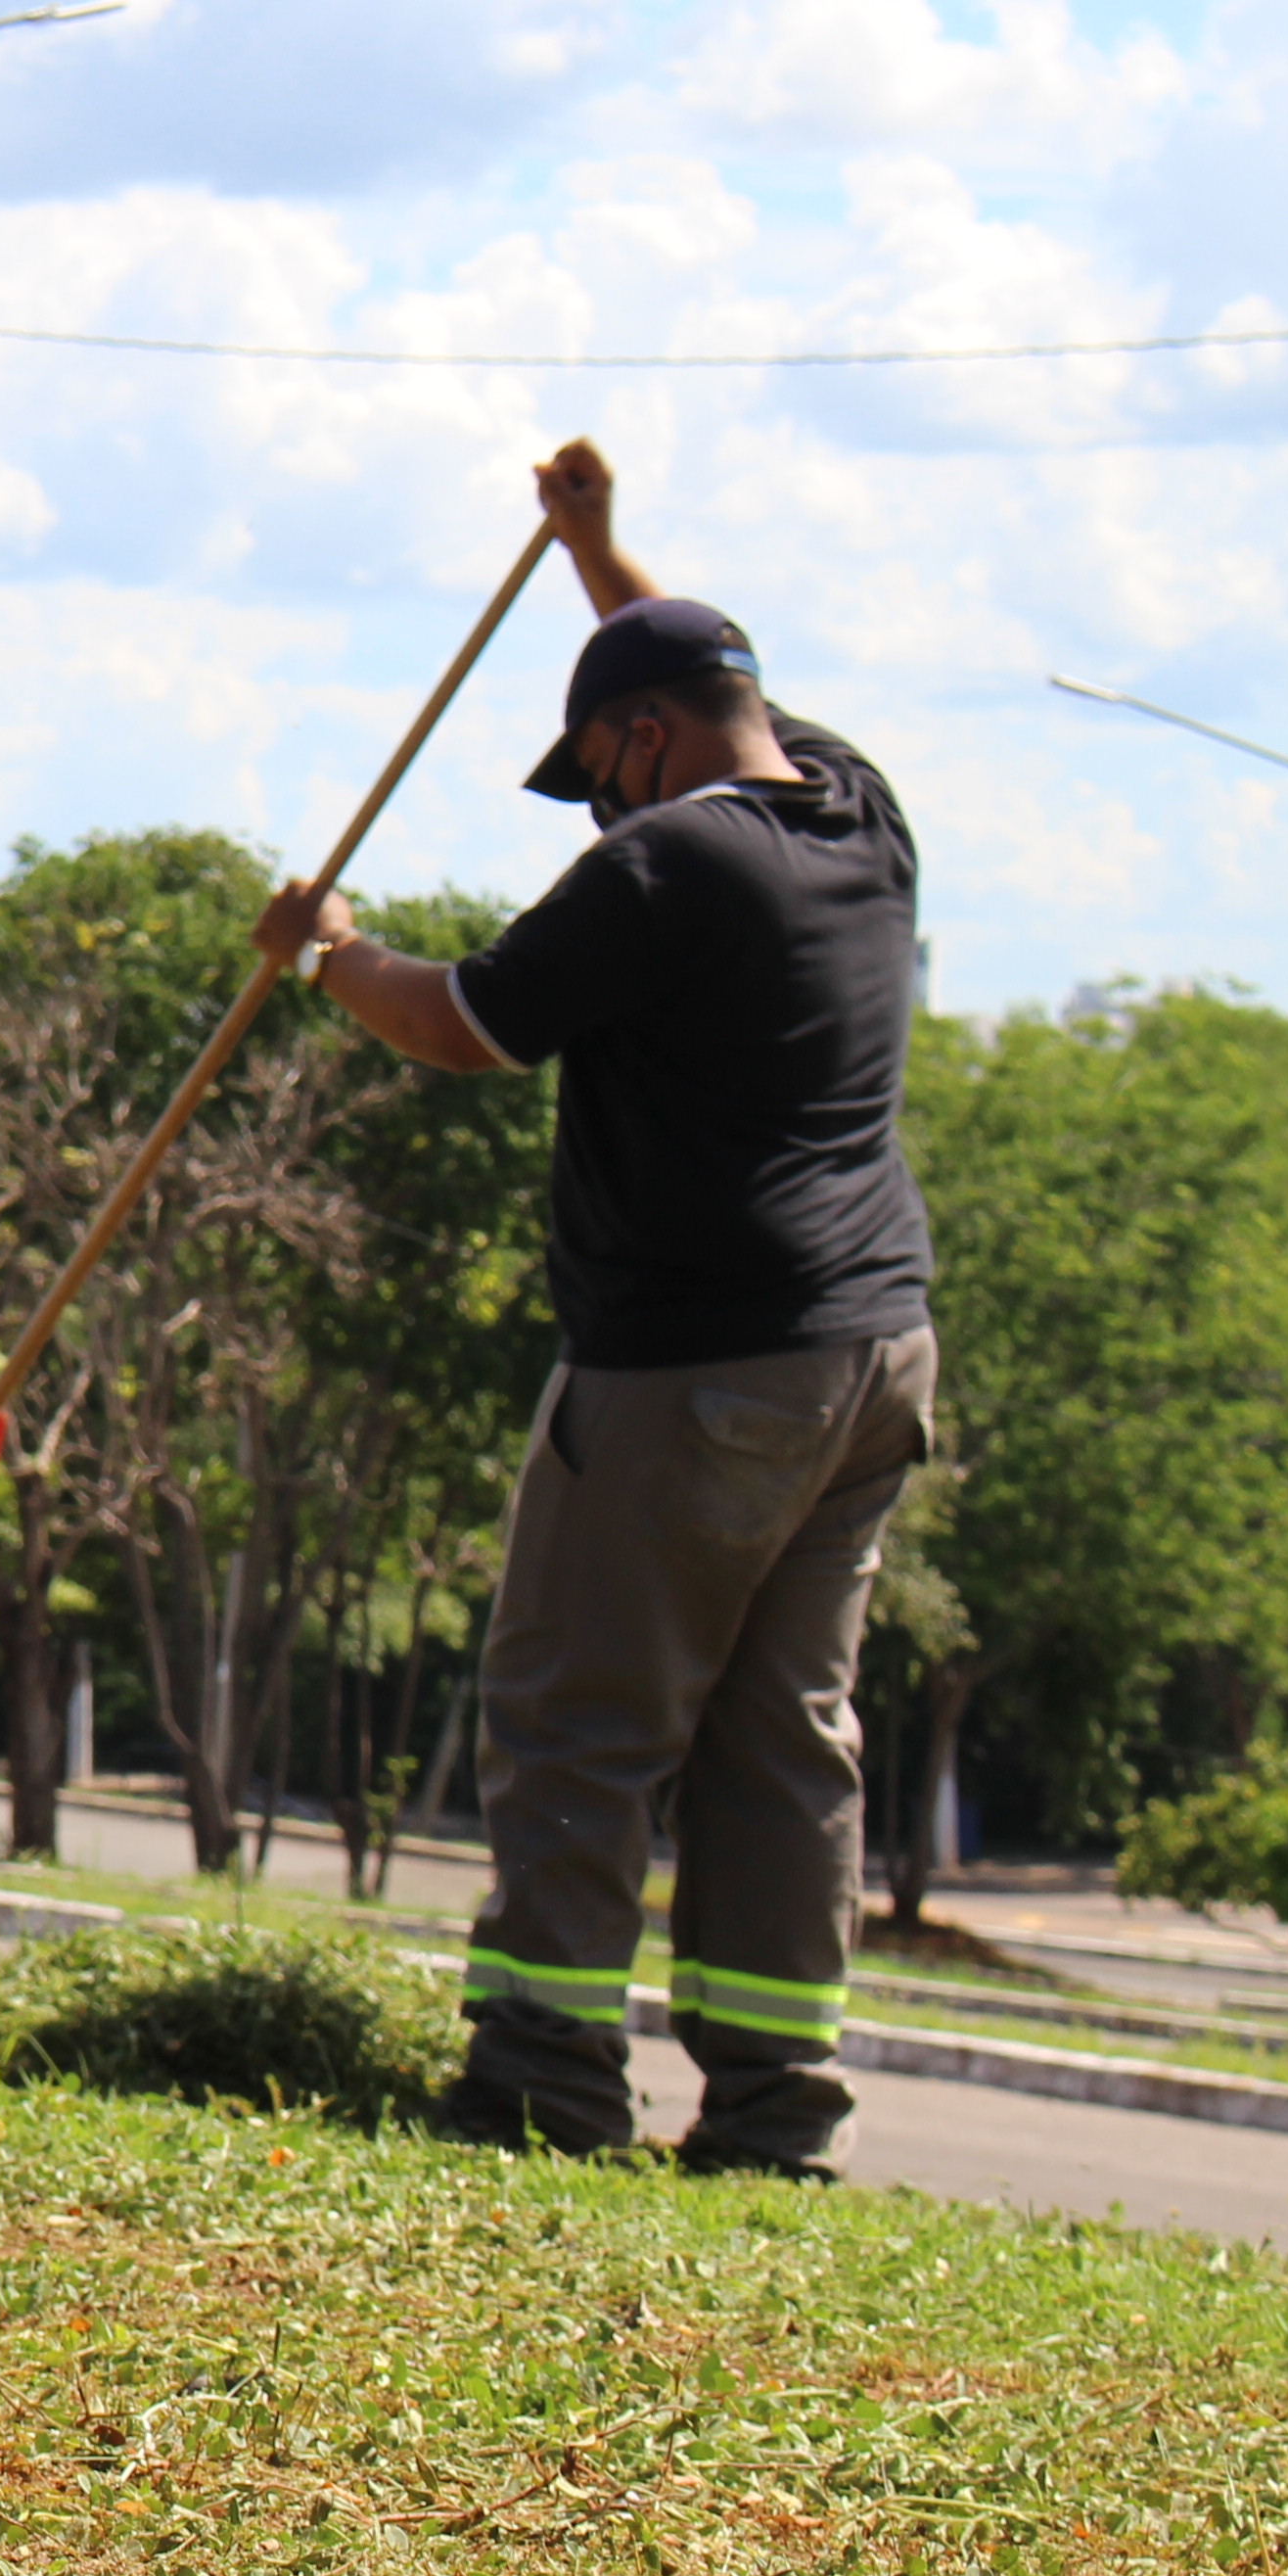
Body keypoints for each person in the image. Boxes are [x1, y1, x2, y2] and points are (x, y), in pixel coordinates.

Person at [255, 443, 935, 2177]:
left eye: (594, 776)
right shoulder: (853, 814)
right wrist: (593, 550)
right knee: (782, 1735)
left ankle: (542, 2077)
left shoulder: (662, 869)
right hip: (865, 1355)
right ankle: (771, 2113)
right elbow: (689, 656)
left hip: (691, 1364)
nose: (597, 810)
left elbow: (462, 1021)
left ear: (636, 744)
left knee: (579, 1703)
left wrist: (328, 950)